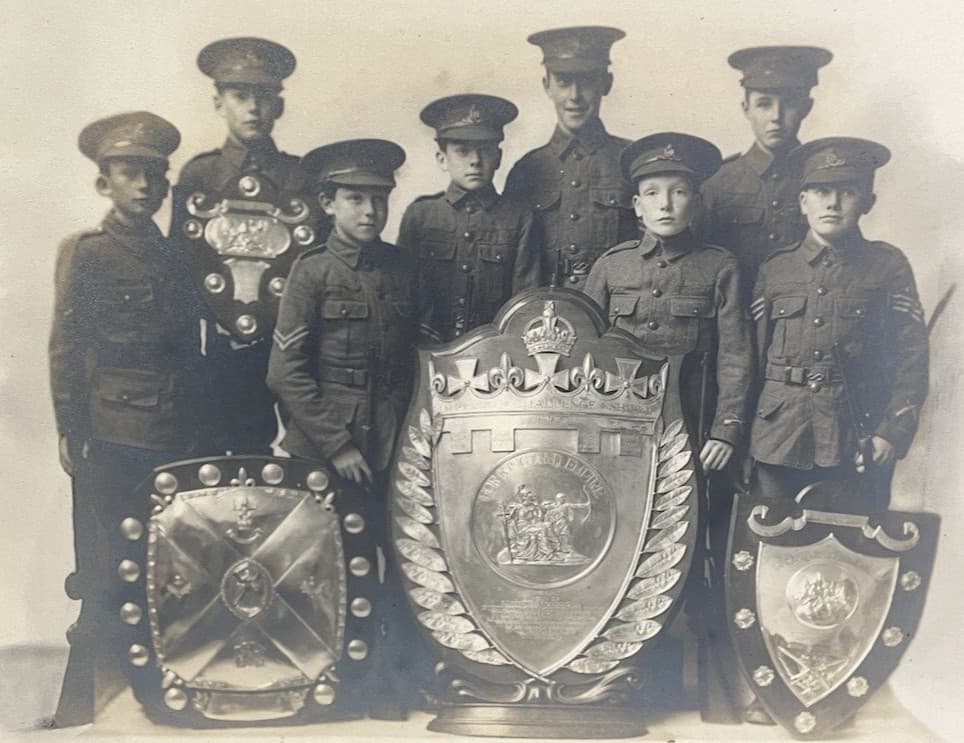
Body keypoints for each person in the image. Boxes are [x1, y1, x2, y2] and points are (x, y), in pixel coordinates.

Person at [584, 132, 753, 724]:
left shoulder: (718, 269)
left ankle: (719, 697)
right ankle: (631, 690)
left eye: (679, 192)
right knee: (623, 560)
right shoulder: (611, 269)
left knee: (701, 561)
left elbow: (736, 357)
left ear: (696, 203)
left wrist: (726, 431)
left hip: (694, 442)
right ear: (635, 205)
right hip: (622, 447)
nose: (665, 203)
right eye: (652, 192)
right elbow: (584, 357)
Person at [266, 139, 429, 719]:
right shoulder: (310, 273)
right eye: (355, 199)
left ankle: (390, 685)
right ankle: (324, 686)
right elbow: (285, 373)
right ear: (327, 204)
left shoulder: (402, 270)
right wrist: (336, 446)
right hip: (327, 449)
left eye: (378, 200)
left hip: (392, 442)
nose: (369, 212)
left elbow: (418, 356)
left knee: (401, 564)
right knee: (328, 567)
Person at [49, 112, 198, 724]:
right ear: (103, 182)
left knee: (162, 569)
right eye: (130, 173)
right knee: (107, 570)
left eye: (155, 175)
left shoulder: (176, 256)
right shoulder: (87, 253)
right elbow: (65, 346)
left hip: (171, 433)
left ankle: (157, 694)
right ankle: (86, 708)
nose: (145, 186)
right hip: (110, 432)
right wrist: (71, 431)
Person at [750, 137, 928, 508]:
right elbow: (751, 360)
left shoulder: (887, 266)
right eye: (820, 191)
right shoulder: (775, 269)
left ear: (867, 202)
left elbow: (912, 358)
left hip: (855, 436)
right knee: (769, 544)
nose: (832, 203)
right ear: (803, 201)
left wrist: (890, 433)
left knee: (850, 551)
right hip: (777, 435)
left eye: (847, 191)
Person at [177, 37, 320, 456]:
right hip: (223, 351)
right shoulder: (199, 176)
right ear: (219, 103)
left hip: (293, 349)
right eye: (240, 96)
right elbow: (183, 272)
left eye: (264, 97)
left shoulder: (302, 176)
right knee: (233, 464)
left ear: (279, 105)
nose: (253, 108)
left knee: (308, 462)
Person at [398, 94, 541, 341]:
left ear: (498, 157)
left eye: (485, 150)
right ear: (442, 159)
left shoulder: (519, 217)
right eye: (462, 151)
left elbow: (525, 301)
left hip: (495, 355)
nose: (475, 161)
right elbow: (401, 292)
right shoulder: (421, 215)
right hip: (426, 351)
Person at [504, 26, 636, 289]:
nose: (574, 96)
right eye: (563, 82)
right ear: (547, 86)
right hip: (544, 316)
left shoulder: (632, 161)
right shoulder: (527, 170)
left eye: (586, 81)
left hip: (616, 314)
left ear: (606, 83)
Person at [700, 46, 833, 291]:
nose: (776, 116)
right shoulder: (717, 182)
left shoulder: (825, 181)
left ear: (807, 107)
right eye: (764, 104)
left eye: (790, 103)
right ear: (745, 108)